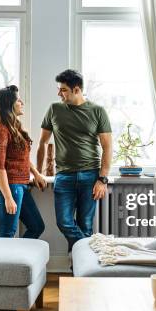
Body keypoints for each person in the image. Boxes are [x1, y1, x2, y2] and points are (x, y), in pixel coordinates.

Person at [37, 69, 112, 251]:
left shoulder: (97, 111)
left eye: (63, 90)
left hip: (90, 176)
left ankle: (79, 273)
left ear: (76, 90)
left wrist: (102, 179)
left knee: (85, 225)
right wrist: (38, 173)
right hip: (64, 176)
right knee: (64, 222)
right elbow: (43, 142)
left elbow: (107, 146)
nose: (59, 93)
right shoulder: (54, 109)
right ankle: (90, 252)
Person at [0, 85, 46, 238]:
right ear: (10, 105)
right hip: (10, 186)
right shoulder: (0, 130)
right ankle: (4, 262)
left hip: (21, 185)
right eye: (18, 100)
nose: (22, 102)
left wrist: (36, 174)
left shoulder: (15, 127)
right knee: (8, 233)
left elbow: (23, 158)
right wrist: (8, 197)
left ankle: (20, 260)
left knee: (37, 226)